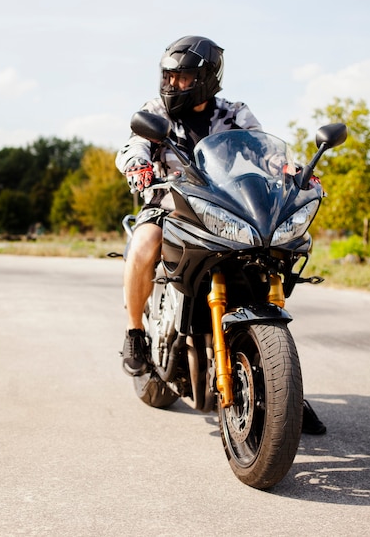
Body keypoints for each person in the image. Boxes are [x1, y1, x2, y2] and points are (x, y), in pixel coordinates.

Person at [116, 35, 326, 435]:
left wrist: (290, 170)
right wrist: (138, 169)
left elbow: (267, 153)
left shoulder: (233, 113)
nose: (174, 85)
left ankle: (285, 387)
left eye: (184, 77)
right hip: (170, 201)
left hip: (224, 206)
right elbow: (133, 148)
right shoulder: (155, 111)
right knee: (143, 243)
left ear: (208, 78)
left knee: (264, 259)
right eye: (170, 76)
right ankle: (135, 335)